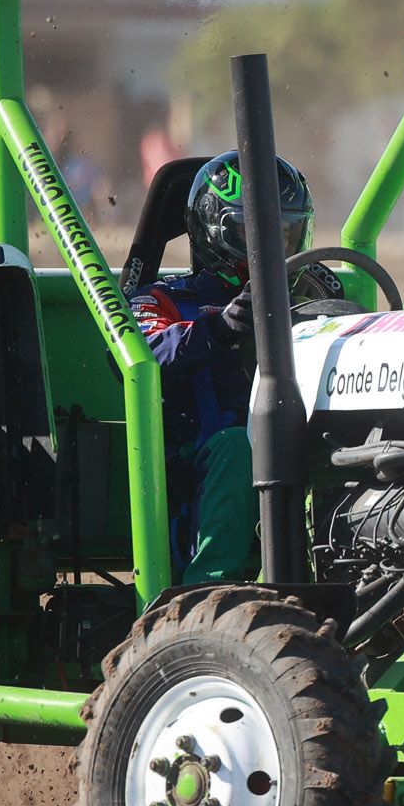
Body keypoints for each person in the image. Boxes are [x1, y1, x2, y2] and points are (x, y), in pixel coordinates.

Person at [131, 151, 321, 585]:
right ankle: (207, 589)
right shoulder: (163, 299)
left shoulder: (314, 295)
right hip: (196, 456)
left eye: (286, 235)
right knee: (238, 446)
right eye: (252, 234)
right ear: (214, 232)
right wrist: (217, 328)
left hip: (293, 435)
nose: (273, 250)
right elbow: (142, 356)